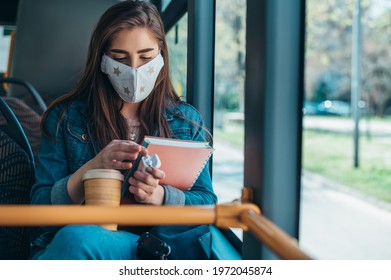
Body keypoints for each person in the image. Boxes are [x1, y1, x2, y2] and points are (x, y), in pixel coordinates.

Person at [29, 0, 217, 260]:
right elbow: (38, 210)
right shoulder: (65, 118)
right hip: (82, 243)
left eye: (146, 57)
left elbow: (207, 203)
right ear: (102, 60)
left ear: (161, 55)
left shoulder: (185, 121)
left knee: (77, 239)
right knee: (76, 238)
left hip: (157, 249)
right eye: (120, 59)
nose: (135, 70)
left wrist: (159, 195)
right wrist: (88, 172)